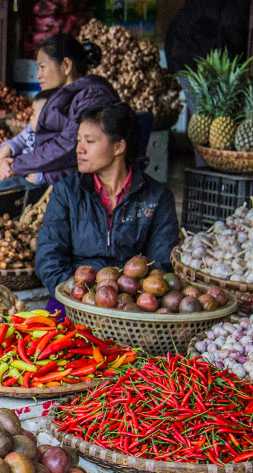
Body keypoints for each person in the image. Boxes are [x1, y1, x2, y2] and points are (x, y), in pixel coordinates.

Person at [35, 102, 179, 305]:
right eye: (79, 141)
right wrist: (77, 295)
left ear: (118, 147)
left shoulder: (157, 198)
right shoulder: (66, 192)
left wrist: (127, 299)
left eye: (90, 141)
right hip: (73, 300)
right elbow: (48, 259)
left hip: (130, 304)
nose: (79, 149)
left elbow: (161, 266)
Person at [0, 34, 117, 191]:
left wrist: (19, 165)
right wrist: (7, 155)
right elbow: (32, 132)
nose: (38, 75)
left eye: (42, 67)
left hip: (69, 179)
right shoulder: (65, 93)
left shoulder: (93, 96)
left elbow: (69, 146)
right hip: (45, 169)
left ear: (66, 65)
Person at [166, 0, 250, 167]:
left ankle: (209, 173)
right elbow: (232, 32)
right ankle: (206, 173)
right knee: (204, 120)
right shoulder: (236, 8)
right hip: (190, 56)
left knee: (208, 120)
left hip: (194, 51)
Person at [0, 88, 56, 187]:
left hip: (32, 180)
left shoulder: (54, 139)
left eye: (34, 114)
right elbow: (18, 141)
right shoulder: (31, 129)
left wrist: (43, 177)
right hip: (19, 170)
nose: (31, 118)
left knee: (5, 185)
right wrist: (5, 153)